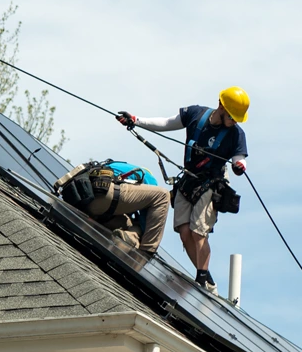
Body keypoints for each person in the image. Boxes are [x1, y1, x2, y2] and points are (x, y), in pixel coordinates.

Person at [117, 86, 250, 293]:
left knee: (199, 232)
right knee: (185, 232)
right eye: (232, 117)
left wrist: (240, 165)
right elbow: (167, 123)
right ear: (221, 106)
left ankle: (201, 281)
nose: (234, 122)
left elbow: (239, 158)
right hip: (188, 181)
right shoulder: (195, 114)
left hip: (211, 183)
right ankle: (207, 279)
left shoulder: (235, 135)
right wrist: (136, 120)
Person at [54, 159, 170, 257]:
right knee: (163, 196)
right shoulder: (147, 176)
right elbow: (148, 219)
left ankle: (126, 238)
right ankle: (146, 252)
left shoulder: (114, 165)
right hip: (106, 194)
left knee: (128, 224)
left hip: (85, 204)